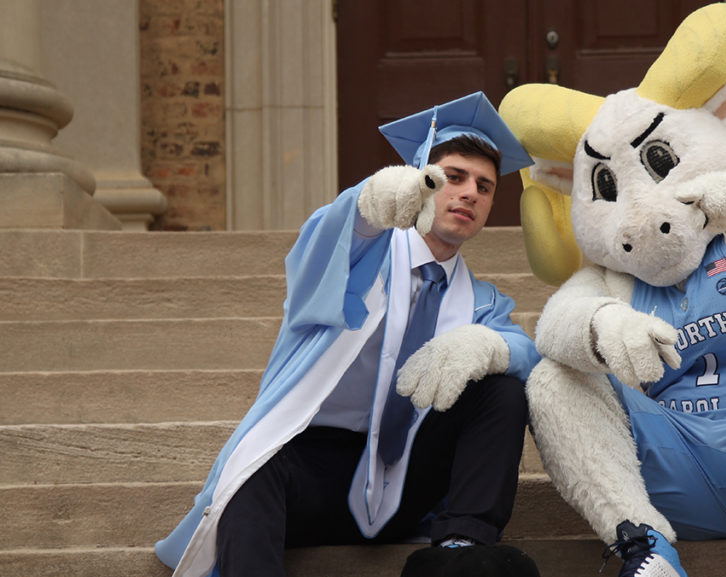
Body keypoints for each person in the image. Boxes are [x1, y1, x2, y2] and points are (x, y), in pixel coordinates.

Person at [154, 92, 542, 577]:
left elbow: (527, 352)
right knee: (254, 473)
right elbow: (326, 242)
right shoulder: (365, 258)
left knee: (503, 384)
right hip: (314, 469)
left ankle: (464, 546)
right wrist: (366, 207)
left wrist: (490, 344)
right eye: (454, 177)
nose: (469, 193)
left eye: (484, 187)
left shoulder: (482, 302)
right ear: (420, 182)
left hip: (403, 479)